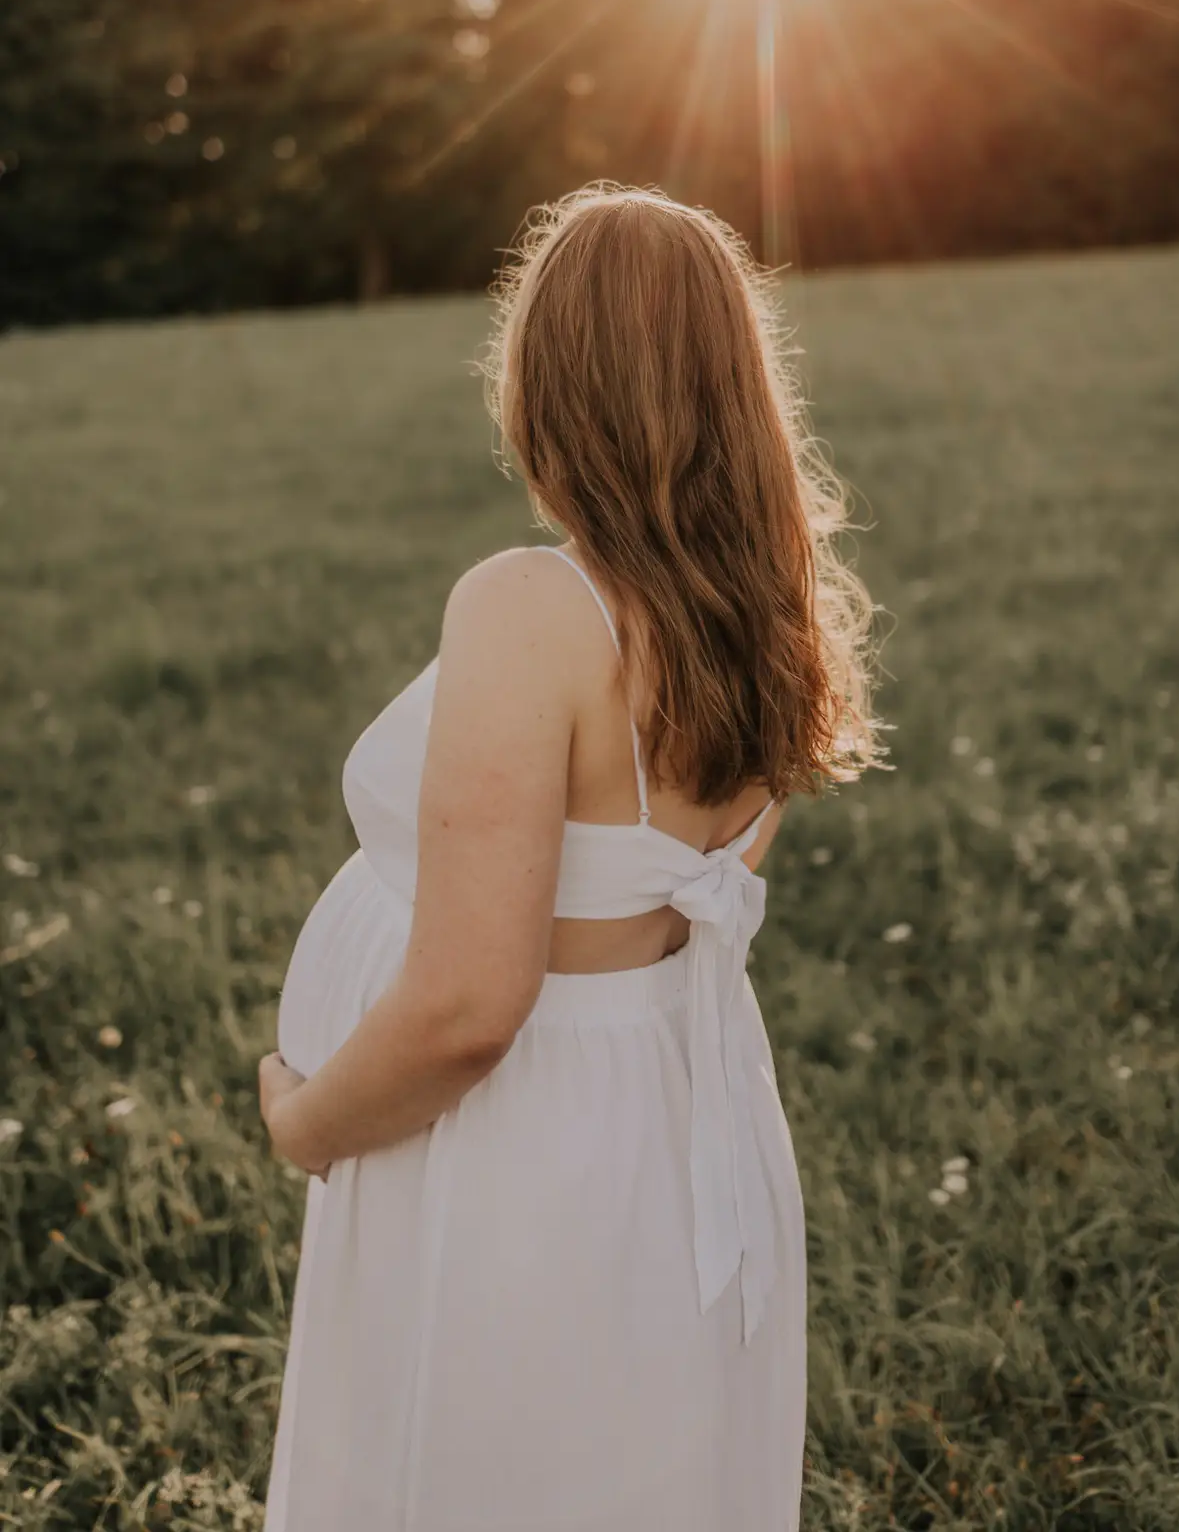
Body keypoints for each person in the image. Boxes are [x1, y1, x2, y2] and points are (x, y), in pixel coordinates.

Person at [257, 183, 879, 1531]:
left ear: (551, 386)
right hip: (670, 1112)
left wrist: (308, 1122)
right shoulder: (764, 610)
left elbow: (474, 1007)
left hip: (518, 1155)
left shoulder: (537, 605)